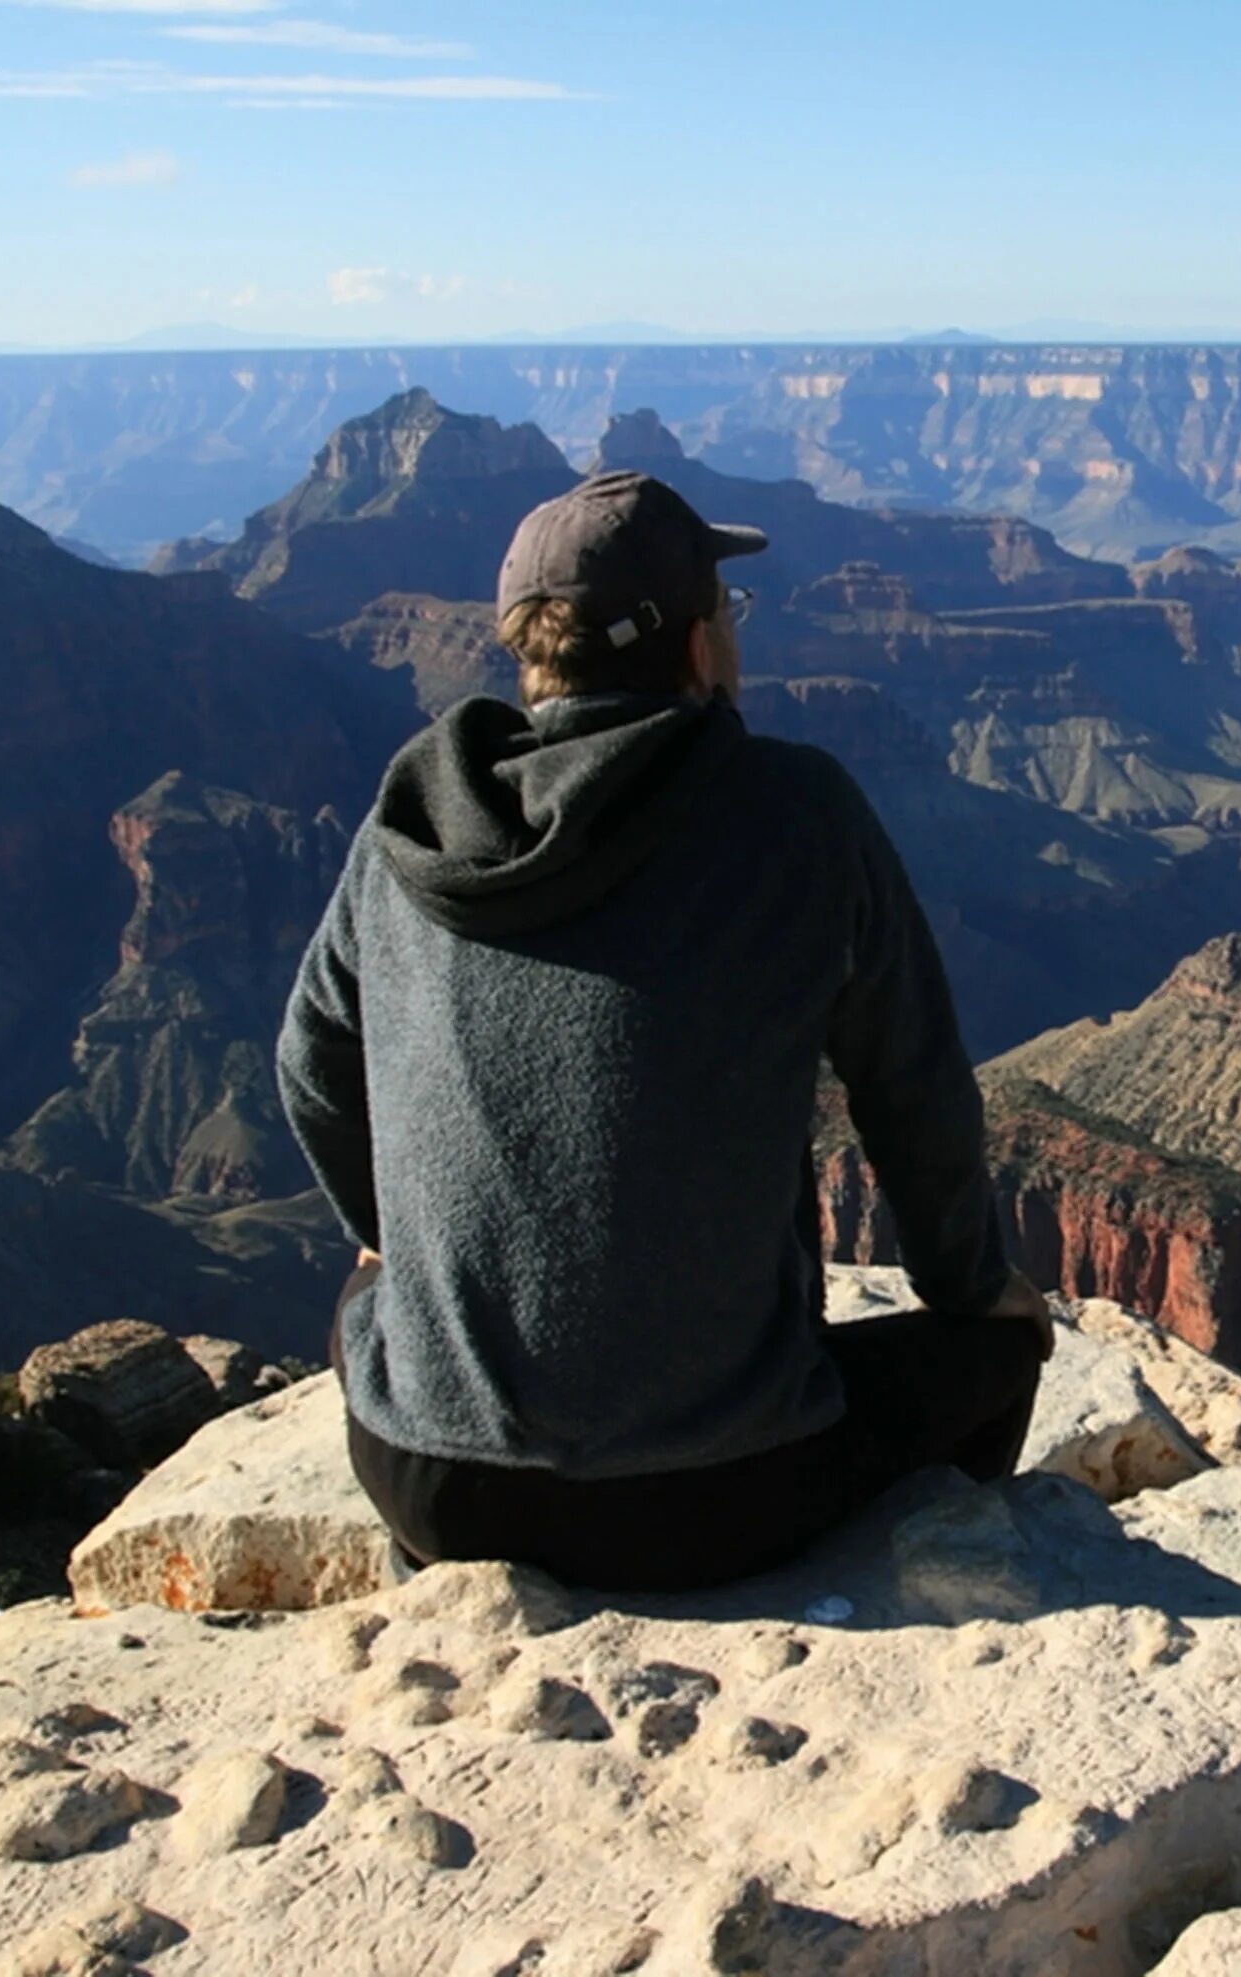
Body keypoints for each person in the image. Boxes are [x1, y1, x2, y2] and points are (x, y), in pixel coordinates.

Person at [274, 468, 1051, 1593]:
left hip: (429, 1483)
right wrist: (974, 1283)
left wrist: (391, 1234)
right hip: (717, 1497)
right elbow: (913, 1092)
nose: (735, 638)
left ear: (529, 653)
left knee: (366, 1306)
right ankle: (909, 1597)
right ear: (696, 649)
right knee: (994, 1355)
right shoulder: (797, 812)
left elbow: (310, 1069)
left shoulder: (409, 828)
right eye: (727, 616)